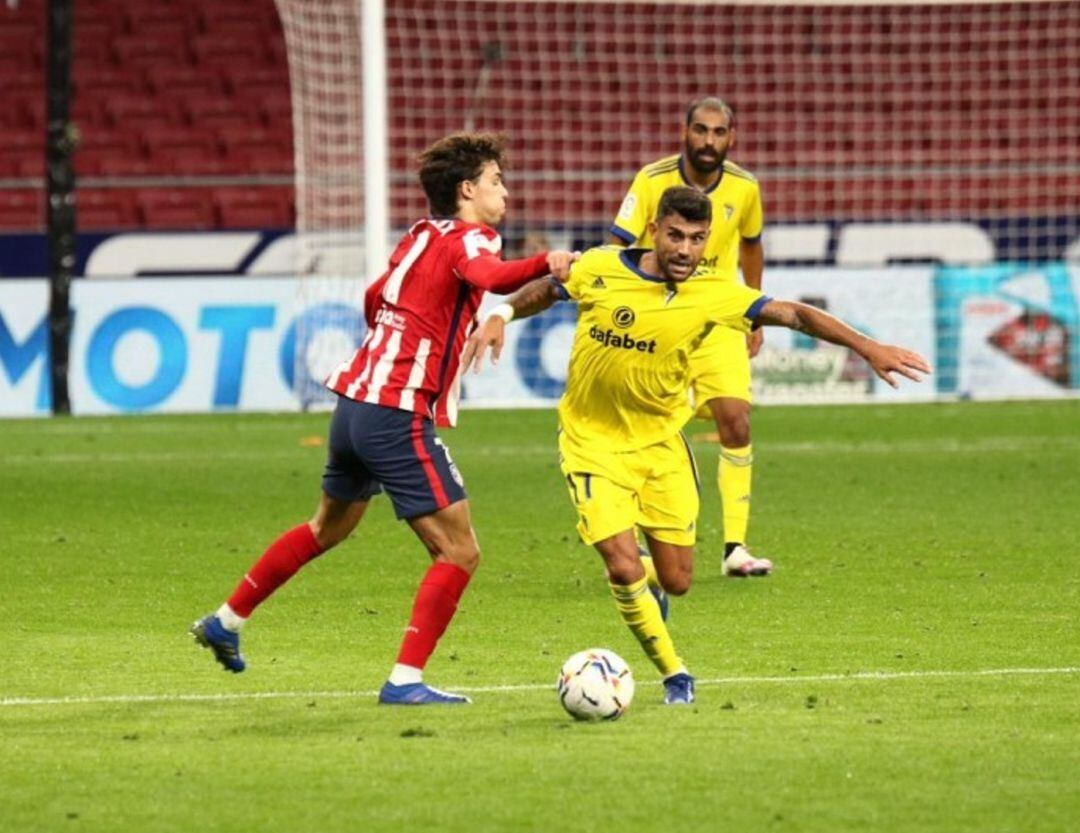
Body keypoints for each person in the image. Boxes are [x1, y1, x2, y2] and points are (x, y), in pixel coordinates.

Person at [464, 186, 929, 704]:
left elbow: (794, 314)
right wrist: (501, 314)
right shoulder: (602, 267)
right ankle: (674, 673)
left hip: (661, 444)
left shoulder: (715, 291)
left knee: (678, 579)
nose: (685, 249)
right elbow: (551, 289)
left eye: (698, 239)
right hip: (590, 442)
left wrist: (868, 346)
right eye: (676, 236)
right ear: (655, 230)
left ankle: (644, 574)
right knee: (620, 565)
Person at [191, 132, 577, 705]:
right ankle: (405, 681)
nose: (504, 192)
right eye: (496, 181)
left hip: (354, 404)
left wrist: (397, 340)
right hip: (396, 411)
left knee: (328, 527)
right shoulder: (473, 238)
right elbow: (491, 277)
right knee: (460, 551)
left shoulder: (420, 236)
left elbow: (376, 296)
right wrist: (546, 260)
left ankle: (227, 620)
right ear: (468, 190)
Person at [608, 96, 770, 577]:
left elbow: (752, 244)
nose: (709, 141)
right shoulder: (652, 179)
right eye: (701, 130)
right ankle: (628, 542)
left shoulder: (744, 188)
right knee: (642, 427)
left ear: (731, 139)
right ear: (685, 131)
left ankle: (735, 548)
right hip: (659, 318)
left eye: (719, 133)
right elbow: (618, 243)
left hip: (718, 316)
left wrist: (753, 313)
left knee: (736, 418)